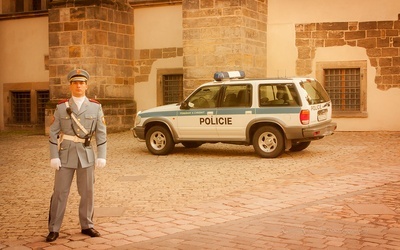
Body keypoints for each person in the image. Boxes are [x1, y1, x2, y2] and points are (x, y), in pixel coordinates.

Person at [46, 69, 107, 242]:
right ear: (70, 85)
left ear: (86, 85)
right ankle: (54, 228)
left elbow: (101, 133)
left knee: (88, 192)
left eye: (81, 83)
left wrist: (102, 155)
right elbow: (53, 133)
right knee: (59, 192)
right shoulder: (61, 107)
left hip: (86, 155)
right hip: (64, 155)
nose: (78, 85)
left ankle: (87, 225)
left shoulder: (95, 107)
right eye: (75, 83)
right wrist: (54, 155)